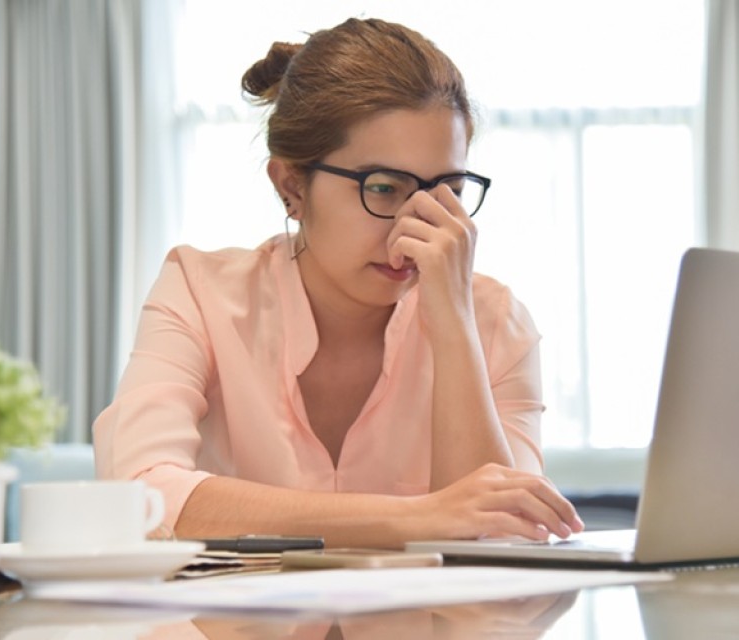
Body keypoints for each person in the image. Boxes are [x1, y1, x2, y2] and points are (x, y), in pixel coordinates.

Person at [93, 17, 584, 548]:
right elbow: (138, 495)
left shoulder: (495, 323)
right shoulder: (198, 293)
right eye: (383, 188)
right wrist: (417, 518)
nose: (417, 228)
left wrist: (454, 325)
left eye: (448, 191)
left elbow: (502, 537)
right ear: (291, 188)